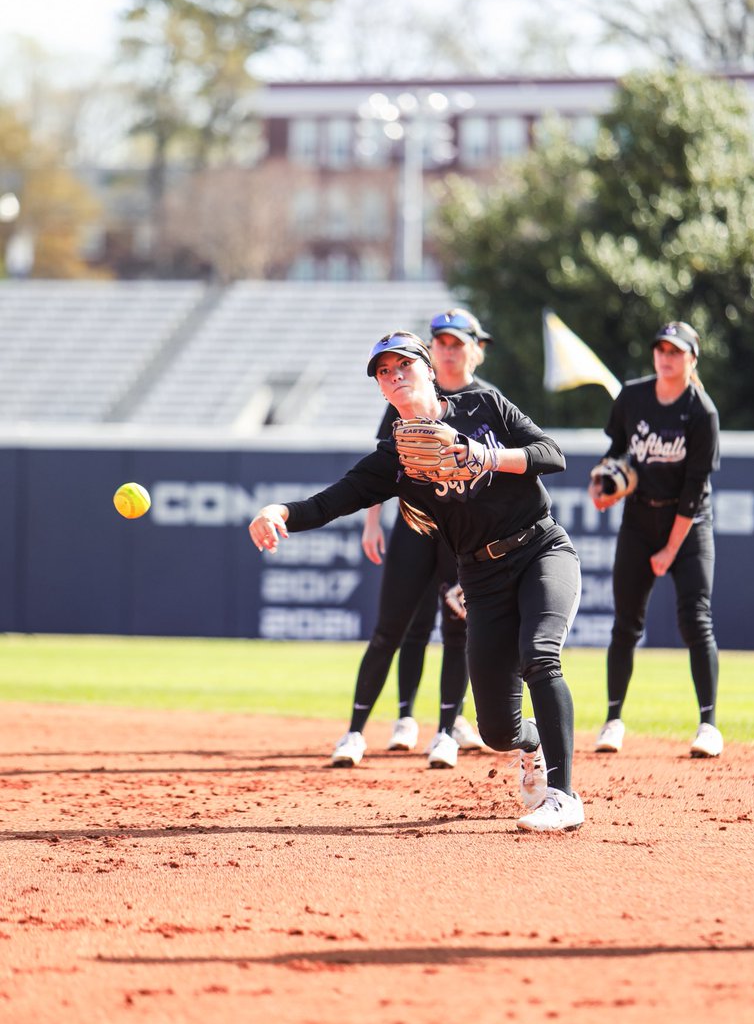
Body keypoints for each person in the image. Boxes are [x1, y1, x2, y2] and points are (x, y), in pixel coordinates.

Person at [250, 330, 584, 833]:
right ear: (382, 390)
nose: (394, 375)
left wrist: (483, 455)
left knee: (539, 654)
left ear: (428, 369)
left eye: (402, 364)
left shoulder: (483, 406)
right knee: (497, 729)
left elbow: (552, 454)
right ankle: (533, 742)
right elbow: (331, 500)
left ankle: (564, 797)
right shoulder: (396, 457)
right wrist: (279, 512)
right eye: (383, 372)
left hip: (541, 548)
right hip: (482, 576)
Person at [346, 308, 495, 772]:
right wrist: (372, 522)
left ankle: (448, 728)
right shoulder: (405, 397)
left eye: (456, 342)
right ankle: (381, 724)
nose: (448, 350)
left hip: (460, 537)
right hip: (414, 525)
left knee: (457, 629)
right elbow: (380, 465)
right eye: (441, 343)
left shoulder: (485, 402)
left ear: (477, 348)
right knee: (398, 627)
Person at [589, 320, 722, 758]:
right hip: (639, 519)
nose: (666, 356)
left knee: (695, 621)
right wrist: (603, 481)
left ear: (692, 359)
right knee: (626, 624)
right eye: (661, 349)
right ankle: (612, 721)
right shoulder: (633, 397)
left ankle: (708, 725)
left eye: (676, 351)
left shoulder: (701, 412)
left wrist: (670, 549)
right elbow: (616, 451)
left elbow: (695, 488)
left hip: (689, 525)